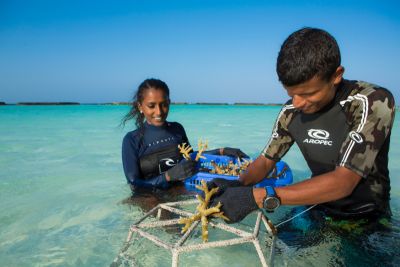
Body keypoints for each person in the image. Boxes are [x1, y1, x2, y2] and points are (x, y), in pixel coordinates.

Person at [208, 27, 395, 223]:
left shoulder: (371, 101)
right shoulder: (290, 111)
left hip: (366, 216)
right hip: (316, 206)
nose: (297, 103)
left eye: (308, 94)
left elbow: (344, 181)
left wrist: (259, 196)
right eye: (291, 94)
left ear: (336, 75)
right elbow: (265, 161)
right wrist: (238, 184)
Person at [121, 78, 248, 190]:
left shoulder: (177, 129)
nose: (159, 111)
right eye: (151, 106)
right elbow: (134, 184)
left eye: (163, 104)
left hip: (181, 191)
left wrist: (221, 151)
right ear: (140, 106)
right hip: (150, 200)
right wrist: (168, 176)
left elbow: (192, 158)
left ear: (169, 102)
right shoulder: (132, 140)